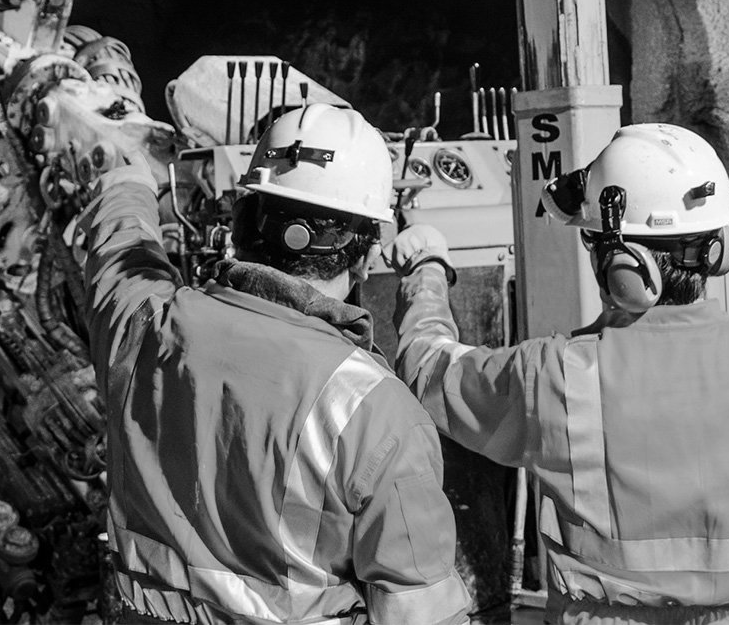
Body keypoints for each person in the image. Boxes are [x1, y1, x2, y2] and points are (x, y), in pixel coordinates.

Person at [386, 123, 729, 625]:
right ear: (723, 247)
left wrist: (426, 272)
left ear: (620, 265)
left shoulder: (553, 375)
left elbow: (427, 370)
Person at [77, 101, 472, 625]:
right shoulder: (377, 414)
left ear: (242, 223)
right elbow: (420, 615)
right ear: (366, 253)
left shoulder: (145, 330)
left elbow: (121, 255)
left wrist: (126, 178)